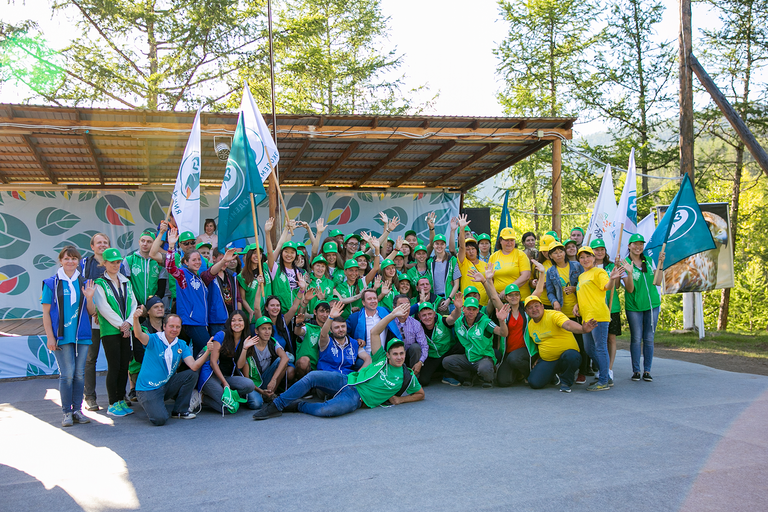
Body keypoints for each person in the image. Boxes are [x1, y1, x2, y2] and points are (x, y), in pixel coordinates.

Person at [252, 326, 424, 420]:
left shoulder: (406, 375)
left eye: (402, 353)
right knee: (312, 376)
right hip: (346, 380)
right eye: (395, 353)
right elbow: (375, 332)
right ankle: (276, 405)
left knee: (327, 411)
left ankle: (298, 405)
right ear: (388, 354)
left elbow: (420, 394)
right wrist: (393, 314)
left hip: (357, 398)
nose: (399, 357)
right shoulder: (380, 358)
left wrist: (401, 399)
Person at [42, 246, 97, 427]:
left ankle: (77, 410)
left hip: (81, 335)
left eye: (74, 259)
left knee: (79, 375)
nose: (70, 262)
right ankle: (66, 411)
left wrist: (89, 298)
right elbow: (46, 313)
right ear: (61, 261)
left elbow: (92, 312)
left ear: (78, 261)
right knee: (67, 374)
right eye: (67, 259)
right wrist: (50, 337)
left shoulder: (85, 282)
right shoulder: (51, 283)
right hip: (61, 335)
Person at [131, 309, 213, 425]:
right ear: (164, 326)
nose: (174, 330)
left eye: (178, 327)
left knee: (191, 374)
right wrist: (135, 318)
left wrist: (207, 351)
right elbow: (138, 335)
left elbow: (194, 366)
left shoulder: (181, 344)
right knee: (160, 419)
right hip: (147, 389)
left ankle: (180, 410)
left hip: (165, 385)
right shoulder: (154, 339)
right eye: (171, 326)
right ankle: (152, 404)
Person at [165, 228, 238, 355]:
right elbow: (170, 267)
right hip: (190, 322)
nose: (198, 262)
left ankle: (193, 375)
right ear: (186, 262)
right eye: (194, 260)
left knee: (196, 355)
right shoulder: (183, 275)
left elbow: (211, 273)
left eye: (199, 259)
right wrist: (171, 246)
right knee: (208, 351)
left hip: (201, 322)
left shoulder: (199, 278)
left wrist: (223, 261)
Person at [92, 247, 138, 417]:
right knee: (114, 366)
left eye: (118, 262)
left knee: (123, 365)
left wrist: (128, 323)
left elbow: (133, 303)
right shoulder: (100, 283)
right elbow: (103, 308)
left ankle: (120, 400)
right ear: (104, 263)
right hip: (111, 331)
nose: (116, 265)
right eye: (112, 262)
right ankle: (112, 403)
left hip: (126, 329)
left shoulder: (125, 280)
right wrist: (122, 325)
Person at [523, 295, 597, 392]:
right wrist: (538, 358)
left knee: (572, 356)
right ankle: (554, 375)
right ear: (526, 312)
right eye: (530, 307)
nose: (534, 309)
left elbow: (568, 324)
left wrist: (582, 329)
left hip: (567, 356)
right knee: (534, 382)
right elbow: (538, 343)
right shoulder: (530, 325)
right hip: (548, 360)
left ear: (542, 306)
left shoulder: (554, 315)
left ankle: (566, 381)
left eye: (536, 306)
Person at [574, 246, 623, 391]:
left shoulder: (599, 272)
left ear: (594, 258)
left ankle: (603, 380)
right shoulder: (582, 276)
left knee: (600, 348)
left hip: (598, 316)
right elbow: (586, 293)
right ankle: (605, 375)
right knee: (589, 348)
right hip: (586, 317)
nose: (585, 259)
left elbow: (606, 286)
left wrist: (612, 279)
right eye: (582, 257)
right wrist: (577, 305)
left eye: (588, 256)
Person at [81, 232, 121, 411]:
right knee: (91, 358)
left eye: (105, 242)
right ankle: (89, 397)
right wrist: (93, 310)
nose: (102, 245)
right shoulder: (84, 264)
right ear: (92, 246)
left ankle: (120, 396)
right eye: (99, 242)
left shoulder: (117, 265)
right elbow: (82, 289)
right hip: (93, 320)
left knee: (118, 360)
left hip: (113, 321)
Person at [545, 241, 589, 384]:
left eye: (560, 251)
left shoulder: (576, 265)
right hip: (561, 313)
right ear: (550, 255)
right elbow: (550, 292)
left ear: (565, 252)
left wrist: (575, 288)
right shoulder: (551, 271)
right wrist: (554, 302)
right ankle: (563, 371)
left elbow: (586, 284)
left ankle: (582, 372)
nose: (558, 254)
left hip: (578, 310)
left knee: (582, 343)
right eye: (555, 252)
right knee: (565, 344)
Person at [442, 296, 510, 388]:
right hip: (468, 358)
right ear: (463, 309)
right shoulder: (459, 321)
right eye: (469, 309)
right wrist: (457, 308)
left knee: (484, 368)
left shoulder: (485, 321)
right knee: (447, 362)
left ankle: (487, 378)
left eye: (474, 309)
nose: (471, 312)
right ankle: (470, 376)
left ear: (478, 310)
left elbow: (503, 333)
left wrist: (501, 321)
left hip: (483, 358)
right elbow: (451, 319)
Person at [198, 311, 258, 414]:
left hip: (227, 376)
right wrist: (225, 383)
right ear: (229, 323)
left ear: (245, 323)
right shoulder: (221, 335)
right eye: (233, 320)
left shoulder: (245, 339)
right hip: (211, 376)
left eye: (240, 320)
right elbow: (213, 362)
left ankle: (219, 395)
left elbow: (239, 366)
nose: (236, 323)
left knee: (249, 385)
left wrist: (244, 348)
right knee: (228, 408)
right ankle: (201, 398)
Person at [591, 239, 633, 383]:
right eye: (596, 249)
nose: (599, 252)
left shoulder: (611, 266)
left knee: (611, 338)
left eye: (602, 249)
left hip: (611, 307)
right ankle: (599, 367)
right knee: (596, 340)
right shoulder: (589, 267)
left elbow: (617, 287)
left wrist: (616, 273)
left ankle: (609, 368)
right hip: (594, 308)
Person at [624, 233, 662, 382]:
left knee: (649, 338)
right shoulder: (625, 263)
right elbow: (630, 289)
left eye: (641, 244)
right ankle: (636, 371)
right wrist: (629, 272)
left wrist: (661, 265)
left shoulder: (649, 261)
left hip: (652, 304)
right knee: (636, 338)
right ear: (629, 246)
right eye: (635, 244)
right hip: (634, 306)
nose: (638, 247)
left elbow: (657, 282)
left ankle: (647, 370)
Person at [241, 316, 290, 406]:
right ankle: (261, 395)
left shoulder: (272, 342)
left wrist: (273, 380)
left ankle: (270, 394)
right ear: (256, 331)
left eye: (269, 328)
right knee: (256, 404)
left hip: (266, 378)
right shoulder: (250, 346)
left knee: (281, 361)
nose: (267, 332)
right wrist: (261, 391)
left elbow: (285, 358)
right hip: (253, 384)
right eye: (263, 329)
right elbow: (246, 378)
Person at [372, 296, 428, 373]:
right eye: (401, 305)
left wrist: (420, 362)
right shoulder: (389, 322)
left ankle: (414, 379)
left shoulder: (416, 324)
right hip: (393, 357)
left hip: (410, 356)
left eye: (407, 305)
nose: (404, 308)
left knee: (416, 347)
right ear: (394, 308)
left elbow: (424, 346)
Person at [414, 301, 462, 386]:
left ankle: (449, 374)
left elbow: (453, 317)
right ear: (419, 317)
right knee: (423, 381)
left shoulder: (443, 320)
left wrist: (458, 308)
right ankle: (439, 373)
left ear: (434, 313)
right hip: (432, 357)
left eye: (430, 314)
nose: (427, 317)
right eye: (424, 315)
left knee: (461, 345)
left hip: (448, 352)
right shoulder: (418, 327)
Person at [317, 302, 371, 374]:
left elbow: (368, 359)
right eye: (336, 327)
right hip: (327, 376)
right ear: (331, 330)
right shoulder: (327, 341)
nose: (341, 330)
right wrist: (330, 317)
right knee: (312, 376)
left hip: (345, 378)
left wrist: (358, 375)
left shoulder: (354, 343)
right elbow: (323, 334)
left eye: (343, 326)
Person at [128, 295, 165, 402]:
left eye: (162, 306)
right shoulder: (142, 329)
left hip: (164, 369)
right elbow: (139, 356)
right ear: (148, 311)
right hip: (142, 371)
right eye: (156, 307)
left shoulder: (169, 327)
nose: (160, 309)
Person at [346, 289, 399, 355]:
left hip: (383, 355)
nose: (373, 301)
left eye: (374, 298)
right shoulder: (354, 318)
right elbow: (344, 336)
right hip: (363, 356)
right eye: (369, 299)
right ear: (363, 302)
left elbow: (398, 315)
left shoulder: (385, 312)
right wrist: (355, 341)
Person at [488, 227, 532, 299]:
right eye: (506, 240)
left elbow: (526, 276)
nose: (509, 243)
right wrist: (495, 294)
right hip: (499, 299)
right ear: (500, 241)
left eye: (512, 240)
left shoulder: (521, 255)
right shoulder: (493, 256)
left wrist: (507, 290)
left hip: (519, 299)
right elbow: (490, 278)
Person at [123, 229, 163, 307]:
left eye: (149, 242)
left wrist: (150, 305)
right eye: (143, 241)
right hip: (133, 305)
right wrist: (137, 305)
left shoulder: (159, 261)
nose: (145, 244)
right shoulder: (129, 260)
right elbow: (126, 286)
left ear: (154, 244)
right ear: (139, 242)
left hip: (153, 307)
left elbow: (162, 288)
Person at [294, 300, 331, 378]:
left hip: (323, 366)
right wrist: (298, 325)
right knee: (304, 361)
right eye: (322, 311)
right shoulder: (307, 326)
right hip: (306, 367)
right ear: (315, 312)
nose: (325, 315)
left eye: (327, 312)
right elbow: (298, 332)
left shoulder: (331, 330)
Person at [456, 215, 488, 306]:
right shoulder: (463, 262)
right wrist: (462, 229)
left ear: (477, 250)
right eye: (468, 249)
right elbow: (462, 247)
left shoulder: (485, 264)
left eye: (473, 249)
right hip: (467, 304)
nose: (470, 251)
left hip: (484, 304)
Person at [237, 244, 271, 327]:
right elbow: (242, 298)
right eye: (254, 253)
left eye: (259, 253)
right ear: (248, 255)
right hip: (253, 318)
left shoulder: (265, 267)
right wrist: (250, 311)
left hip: (269, 314)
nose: (257, 256)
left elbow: (272, 253)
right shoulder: (242, 276)